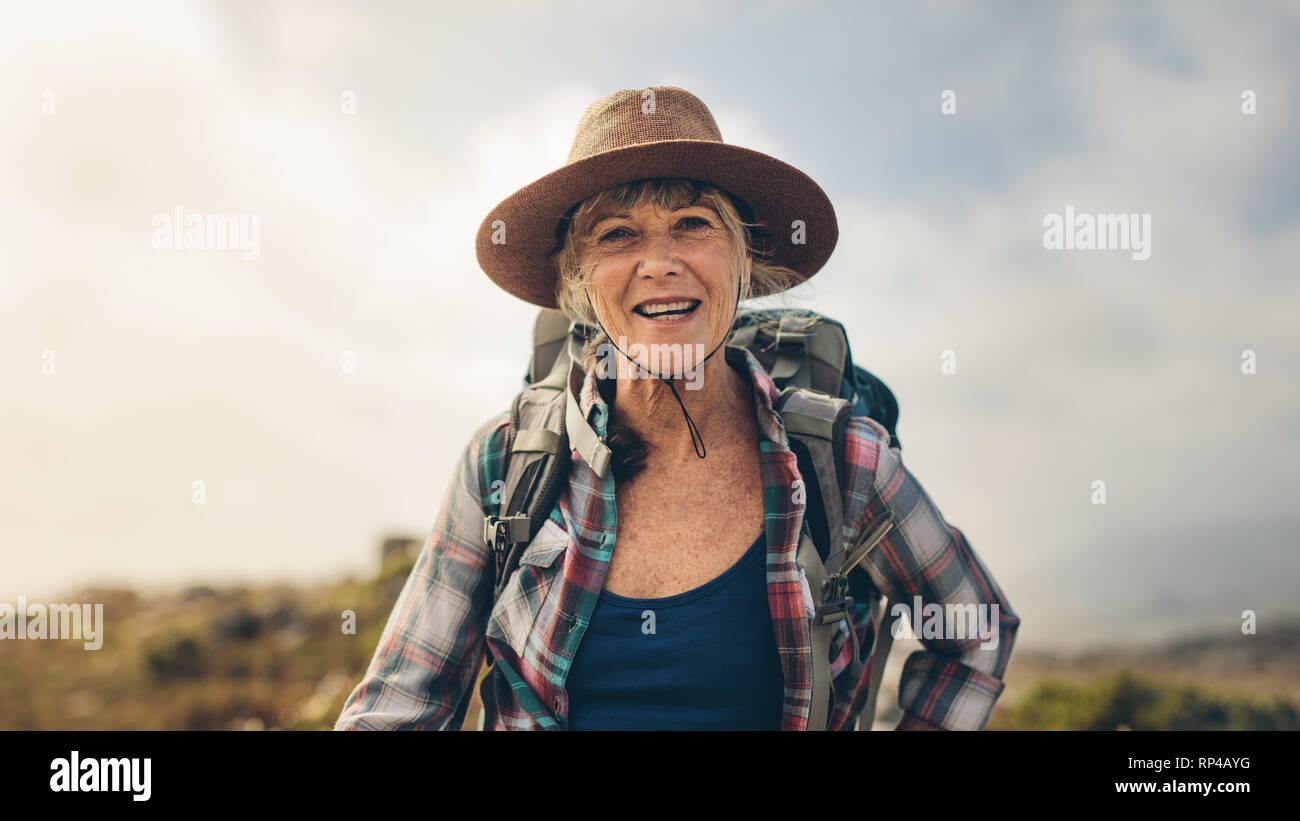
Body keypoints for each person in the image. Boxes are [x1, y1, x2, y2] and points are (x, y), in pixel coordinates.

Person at [335, 86, 1019, 731]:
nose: (659, 263)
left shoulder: (843, 458)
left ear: (743, 258)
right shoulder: (504, 463)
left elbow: (975, 628)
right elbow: (401, 703)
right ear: (578, 279)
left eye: (692, 224)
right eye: (617, 235)